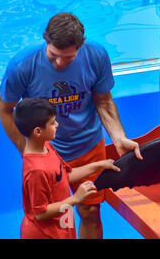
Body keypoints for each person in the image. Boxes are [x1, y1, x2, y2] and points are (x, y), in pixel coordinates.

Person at [0, 12, 142, 239]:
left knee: (91, 210)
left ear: (80, 47)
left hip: (88, 145)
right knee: (55, 220)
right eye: (54, 56)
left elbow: (103, 100)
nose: (60, 63)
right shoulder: (23, 64)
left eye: (69, 58)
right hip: (49, 154)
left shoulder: (96, 55)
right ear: (46, 40)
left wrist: (119, 137)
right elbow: (5, 109)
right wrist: (28, 150)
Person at [15, 98, 120, 239]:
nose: (57, 125)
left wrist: (98, 165)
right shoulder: (36, 171)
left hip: (61, 226)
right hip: (45, 234)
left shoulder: (47, 147)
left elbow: (63, 176)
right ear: (38, 132)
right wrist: (75, 199)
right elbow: (40, 213)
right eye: (52, 123)